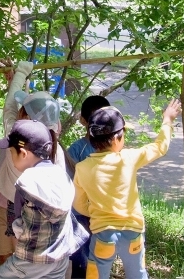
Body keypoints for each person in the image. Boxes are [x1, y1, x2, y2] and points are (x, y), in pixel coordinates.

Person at [73, 100, 181, 279]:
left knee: (96, 275)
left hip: (103, 235)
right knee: (137, 274)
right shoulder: (129, 159)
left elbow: (79, 205)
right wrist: (167, 120)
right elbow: (160, 147)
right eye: (123, 134)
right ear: (116, 139)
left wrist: (95, 212)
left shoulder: (82, 168)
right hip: (133, 233)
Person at [0, 60, 69, 266]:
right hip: (40, 219)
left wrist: (22, 71)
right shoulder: (53, 147)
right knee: (27, 263)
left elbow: (9, 106)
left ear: (25, 116)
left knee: (8, 259)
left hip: (9, 206)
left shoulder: (17, 137)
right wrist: (19, 81)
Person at [0, 120, 88, 279]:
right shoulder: (62, 175)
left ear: (23, 153)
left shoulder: (26, 182)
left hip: (31, 259)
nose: (10, 155)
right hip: (60, 257)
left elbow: (18, 223)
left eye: (11, 152)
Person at [66, 95, 111, 278]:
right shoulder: (77, 150)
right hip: (80, 216)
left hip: (104, 215)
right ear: (83, 121)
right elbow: (69, 181)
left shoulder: (114, 149)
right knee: (80, 259)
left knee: (101, 259)